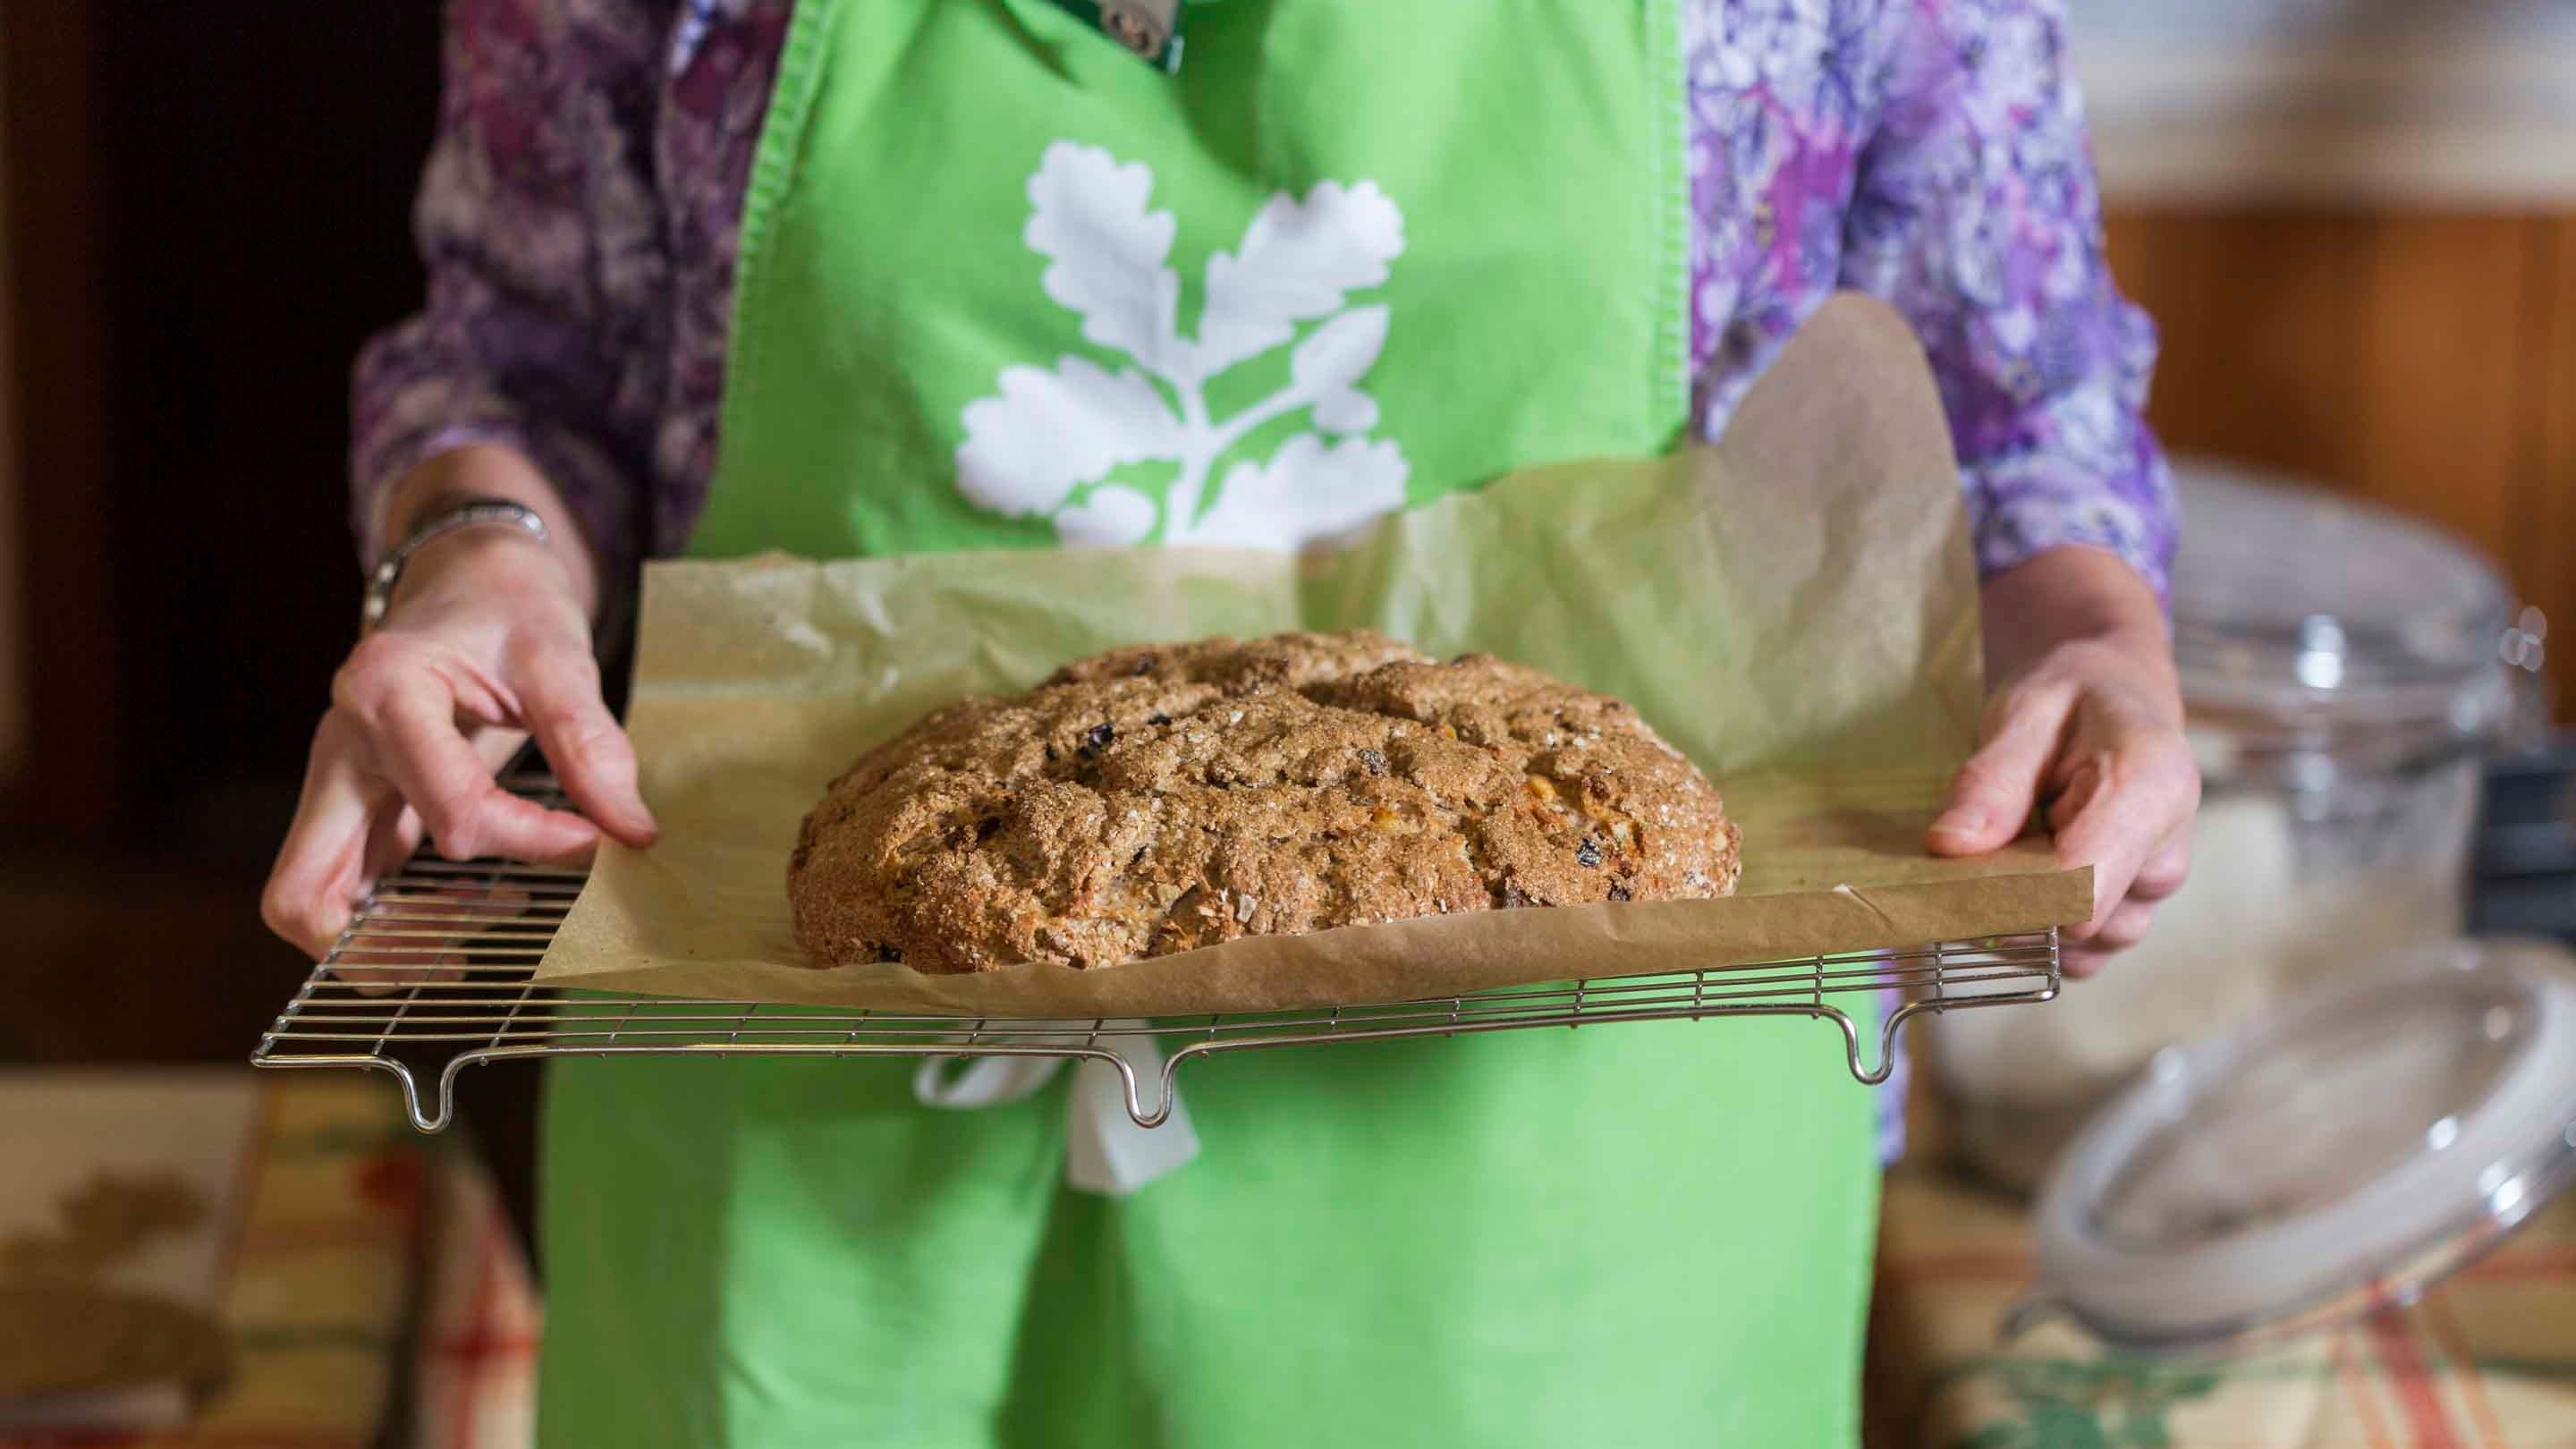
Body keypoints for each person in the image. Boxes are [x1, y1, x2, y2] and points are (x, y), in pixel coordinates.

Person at [265, 0, 2199, 1442]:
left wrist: (2094, 635)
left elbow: (2016, 399)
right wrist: (478, 549)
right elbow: (513, 340)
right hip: (821, 1153)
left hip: (1566, 1198)